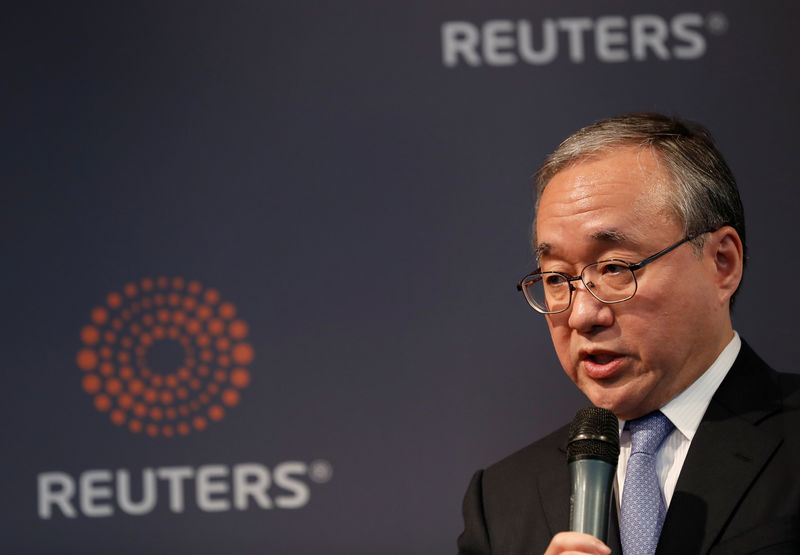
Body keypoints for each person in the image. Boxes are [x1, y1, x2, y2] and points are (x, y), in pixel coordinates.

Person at [457, 113, 800, 554]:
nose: (582, 315)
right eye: (557, 277)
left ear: (722, 263)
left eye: (615, 268)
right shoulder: (501, 499)